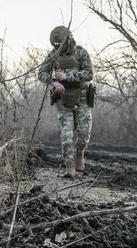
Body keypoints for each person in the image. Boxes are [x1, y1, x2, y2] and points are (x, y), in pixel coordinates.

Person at [37, 25, 95, 178]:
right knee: (66, 136)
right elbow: (41, 73)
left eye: (60, 44)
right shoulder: (53, 55)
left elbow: (89, 73)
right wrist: (53, 81)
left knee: (83, 134)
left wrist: (69, 76)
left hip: (82, 96)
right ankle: (69, 166)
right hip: (63, 98)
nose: (58, 48)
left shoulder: (81, 53)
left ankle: (79, 154)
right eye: (55, 45)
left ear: (68, 40)